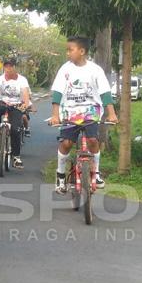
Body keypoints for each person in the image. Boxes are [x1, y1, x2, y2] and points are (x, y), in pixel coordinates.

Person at [50, 36, 118, 192]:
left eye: (70, 50)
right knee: (67, 143)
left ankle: (96, 172)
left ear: (82, 51)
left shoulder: (95, 70)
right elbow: (58, 92)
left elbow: (105, 93)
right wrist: (55, 115)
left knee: (93, 140)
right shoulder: (65, 69)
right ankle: (60, 176)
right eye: (67, 50)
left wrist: (111, 114)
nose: (68, 53)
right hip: (70, 110)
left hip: (91, 110)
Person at [0, 58, 32, 169]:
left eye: (10, 66)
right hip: (2, 103)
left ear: (15, 67)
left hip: (16, 106)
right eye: (6, 66)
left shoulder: (22, 80)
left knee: (15, 130)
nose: (8, 69)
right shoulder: (0, 79)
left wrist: (26, 104)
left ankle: (16, 157)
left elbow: (25, 93)